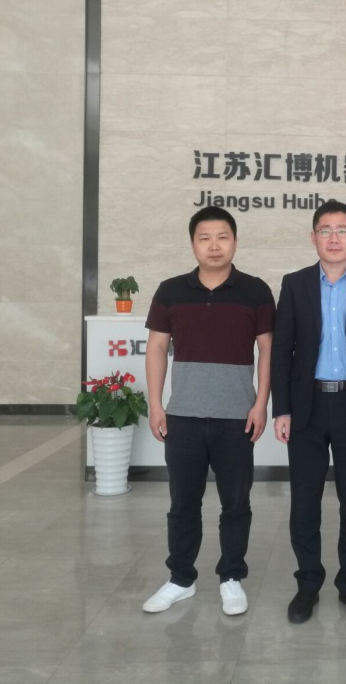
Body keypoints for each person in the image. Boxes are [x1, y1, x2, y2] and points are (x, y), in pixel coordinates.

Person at [141, 206, 274, 616]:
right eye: (205, 238)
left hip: (237, 419)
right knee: (183, 503)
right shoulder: (170, 291)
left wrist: (261, 403)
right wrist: (156, 403)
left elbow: (267, 350)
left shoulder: (255, 291)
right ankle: (180, 578)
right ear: (193, 244)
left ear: (235, 241)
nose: (214, 246)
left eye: (222, 237)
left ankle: (231, 577)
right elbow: (157, 347)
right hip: (182, 416)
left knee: (236, 503)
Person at [271, 200, 346, 624]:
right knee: (304, 502)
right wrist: (281, 408)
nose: (334, 237)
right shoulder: (295, 284)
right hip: (306, 407)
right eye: (325, 230)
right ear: (313, 237)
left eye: (342, 230)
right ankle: (307, 584)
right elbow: (281, 351)